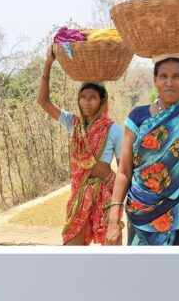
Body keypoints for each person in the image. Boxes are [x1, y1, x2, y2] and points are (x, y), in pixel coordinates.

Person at [105, 57, 179, 247]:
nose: (169, 82)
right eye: (163, 76)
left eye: (177, 76)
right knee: (144, 275)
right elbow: (124, 172)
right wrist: (113, 220)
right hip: (142, 216)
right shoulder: (138, 117)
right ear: (155, 80)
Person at [38, 50, 125, 245]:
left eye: (92, 97)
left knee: (113, 258)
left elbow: (123, 171)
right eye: (82, 97)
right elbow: (43, 102)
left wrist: (116, 206)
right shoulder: (73, 123)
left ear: (102, 101)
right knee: (72, 251)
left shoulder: (114, 130)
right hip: (79, 198)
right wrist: (48, 63)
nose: (86, 102)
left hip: (106, 198)